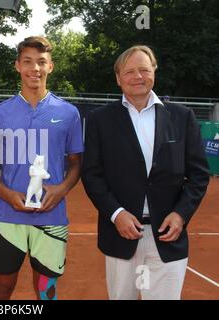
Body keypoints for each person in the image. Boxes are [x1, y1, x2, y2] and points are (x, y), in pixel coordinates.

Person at [81, 45, 209, 300]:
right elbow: (92, 174)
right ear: (118, 78)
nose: (137, 76)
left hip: (168, 237)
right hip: (120, 235)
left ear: (154, 73)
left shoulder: (182, 117)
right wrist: (116, 214)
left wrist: (181, 214)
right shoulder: (99, 119)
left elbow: (198, 174)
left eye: (144, 69)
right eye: (129, 71)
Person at [0, 36, 84, 300]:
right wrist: (7, 194)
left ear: (51, 67)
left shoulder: (69, 113)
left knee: (46, 289)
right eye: (27, 62)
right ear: (17, 66)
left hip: (51, 217)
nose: (34, 68)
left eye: (41, 62)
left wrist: (60, 190)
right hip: (7, 217)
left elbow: (76, 163)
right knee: (1, 287)